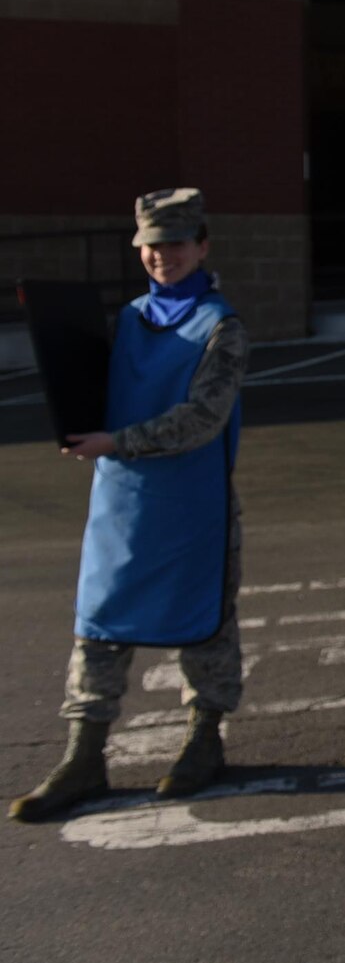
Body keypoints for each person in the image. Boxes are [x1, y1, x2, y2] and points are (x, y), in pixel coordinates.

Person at [10, 188, 248, 821]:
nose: (160, 255)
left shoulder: (221, 327)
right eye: (149, 245)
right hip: (122, 500)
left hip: (194, 505)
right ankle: (84, 757)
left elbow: (202, 419)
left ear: (201, 246)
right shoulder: (128, 319)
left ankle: (204, 741)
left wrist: (116, 441)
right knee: (99, 622)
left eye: (173, 243)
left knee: (205, 625)